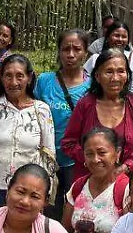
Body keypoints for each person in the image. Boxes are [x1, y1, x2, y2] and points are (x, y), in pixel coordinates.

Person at [61, 48, 133, 185]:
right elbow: (68, 143)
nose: (115, 78)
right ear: (97, 76)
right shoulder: (85, 105)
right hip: (88, 182)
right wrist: (92, 160)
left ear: (127, 75)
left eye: (121, 71)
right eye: (109, 72)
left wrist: (126, 166)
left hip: (126, 183)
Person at [0, 55, 54, 210]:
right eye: (8, 76)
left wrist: (45, 191)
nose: (14, 82)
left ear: (29, 78)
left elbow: (49, 154)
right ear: (1, 78)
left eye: (20, 76)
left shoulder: (42, 110)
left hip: (29, 191)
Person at [62, 128, 131, 233]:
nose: (95, 159)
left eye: (102, 153)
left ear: (117, 154)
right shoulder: (78, 187)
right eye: (89, 154)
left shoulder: (127, 190)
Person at [35, 29, 92, 218]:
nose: (71, 54)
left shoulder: (92, 86)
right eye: (65, 49)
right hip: (47, 157)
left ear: (86, 53)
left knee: (73, 208)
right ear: (59, 51)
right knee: (47, 207)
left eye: (77, 49)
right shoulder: (44, 81)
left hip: (76, 161)